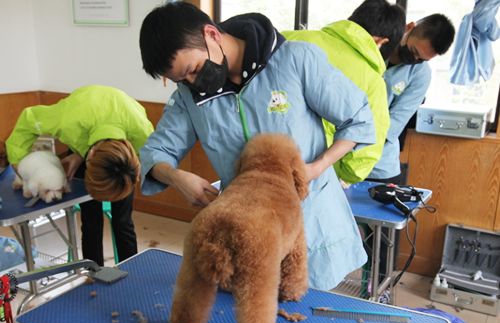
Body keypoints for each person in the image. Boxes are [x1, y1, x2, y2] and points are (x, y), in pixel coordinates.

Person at [138, 2, 377, 290]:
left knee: (313, 320)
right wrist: (177, 177)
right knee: (254, 321)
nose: (192, 82)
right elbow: (156, 152)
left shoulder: (295, 60)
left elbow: (358, 119)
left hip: (312, 224)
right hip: (247, 233)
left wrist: (316, 168)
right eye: (182, 79)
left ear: (212, 34)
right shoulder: (191, 95)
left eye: (193, 69)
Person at [6, 85, 154, 266]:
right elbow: (28, 120)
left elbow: (149, 165)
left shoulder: (143, 135)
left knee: (123, 221)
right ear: (89, 157)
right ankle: (93, 274)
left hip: (116, 153)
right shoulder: (66, 120)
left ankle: (131, 271)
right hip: (82, 122)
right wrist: (19, 164)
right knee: (91, 222)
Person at [283, 0, 406, 185]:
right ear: (381, 42)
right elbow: (367, 146)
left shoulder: (288, 39)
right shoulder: (372, 80)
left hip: (260, 159)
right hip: (317, 175)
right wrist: (344, 177)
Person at [367, 14, 455, 184]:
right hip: (336, 153)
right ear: (409, 28)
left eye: (421, 59)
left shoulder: (421, 74)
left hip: (379, 163)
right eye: (415, 51)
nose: (414, 59)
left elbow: (395, 122)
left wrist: (352, 147)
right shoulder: (374, 45)